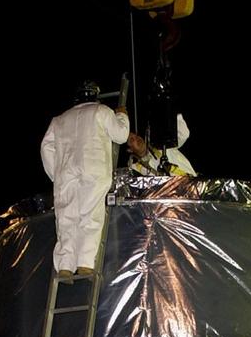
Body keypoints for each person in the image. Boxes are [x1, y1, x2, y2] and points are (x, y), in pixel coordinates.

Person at [40, 81, 129, 279]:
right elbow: (121, 135)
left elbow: (46, 148)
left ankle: (65, 265)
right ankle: (85, 263)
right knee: (90, 215)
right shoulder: (101, 111)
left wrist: (56, 174)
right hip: (93, 167)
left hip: (66, 172)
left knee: (66, 218)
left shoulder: (59, 119)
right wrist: (122, 115)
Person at [127, 114, 197, 176]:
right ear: (129, 149)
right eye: (132, 140)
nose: (137, 139)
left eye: (137, 136)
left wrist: (173, 113)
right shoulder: (136, 169)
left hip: (194, 184)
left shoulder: (162, 146)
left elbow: (183, 134)